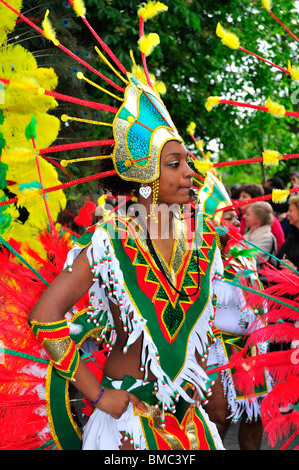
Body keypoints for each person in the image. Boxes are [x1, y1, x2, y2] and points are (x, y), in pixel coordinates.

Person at [27, 7, 224, 448]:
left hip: (188, 425)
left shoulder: (205, 242)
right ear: (146, 181)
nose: (189, 173)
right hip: (127, 425)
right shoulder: (111, 240)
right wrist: (94, 392)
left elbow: (203, 328)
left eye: (188, 162)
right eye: (174, 165)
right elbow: (44, 317)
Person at [198, 176, 270, 450]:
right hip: (214, 348)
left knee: (255, 418)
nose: (236, 223)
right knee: (219, 418)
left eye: (237, 218)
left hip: (248, 348)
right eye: (228, 218)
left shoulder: (244, 253)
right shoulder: (199, 259)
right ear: (210, 221)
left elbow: (256, 298)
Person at [238, 183, 285, 251]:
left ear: (255, 199)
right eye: (240, 196)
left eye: (244, 197)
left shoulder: (270, 220)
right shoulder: (243, 219)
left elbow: (279, 245)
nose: (240, 199)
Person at [243, 202, 277, 271]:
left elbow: (248, 257)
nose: (244, 216)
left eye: (248, 214)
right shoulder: (250, 233)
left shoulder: (267, 238)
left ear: (259, 218)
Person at [277, 195, 299, 272]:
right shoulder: (293, 234)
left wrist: (295, 270)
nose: (287, 214)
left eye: (291, 210)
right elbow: (280, 257)